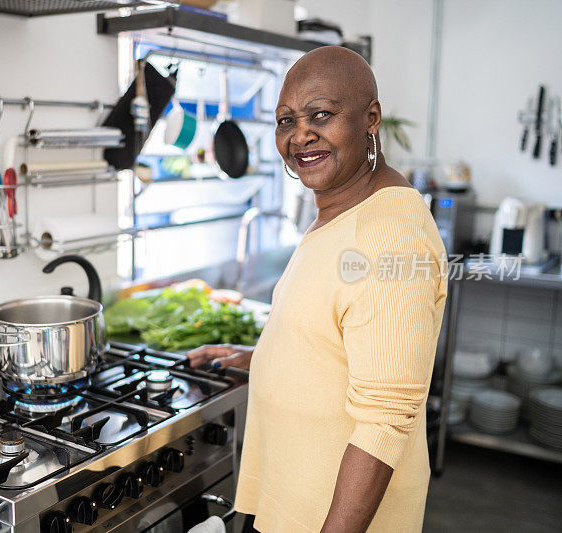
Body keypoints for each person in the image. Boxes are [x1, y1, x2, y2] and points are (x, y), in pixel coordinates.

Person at [187, 47, 447, 532]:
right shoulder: (343, 210)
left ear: (371, 119)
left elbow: (385, 420)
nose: (300, 134)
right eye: (287, 120)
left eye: (321, 115)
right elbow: (342, 333)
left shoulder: (388, 232)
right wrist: (263, 357)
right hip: (294, 505)